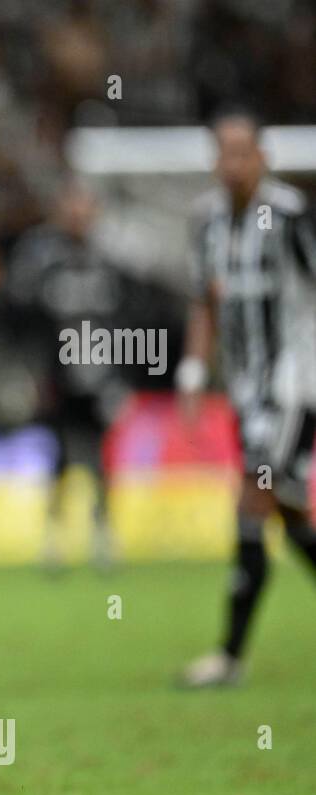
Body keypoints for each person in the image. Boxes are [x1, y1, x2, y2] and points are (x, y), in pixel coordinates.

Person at [178, 109, 316, 688]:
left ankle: (229, 656)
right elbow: (204, 301)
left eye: (243, 152)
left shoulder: (289, 217)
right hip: (244, 387)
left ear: (261, 157)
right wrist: (192, 366)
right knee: (284, 505)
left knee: (253, 495)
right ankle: (230, 657)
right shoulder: (207, 223)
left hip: (293, 381)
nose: (233, 163)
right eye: (224, 152)